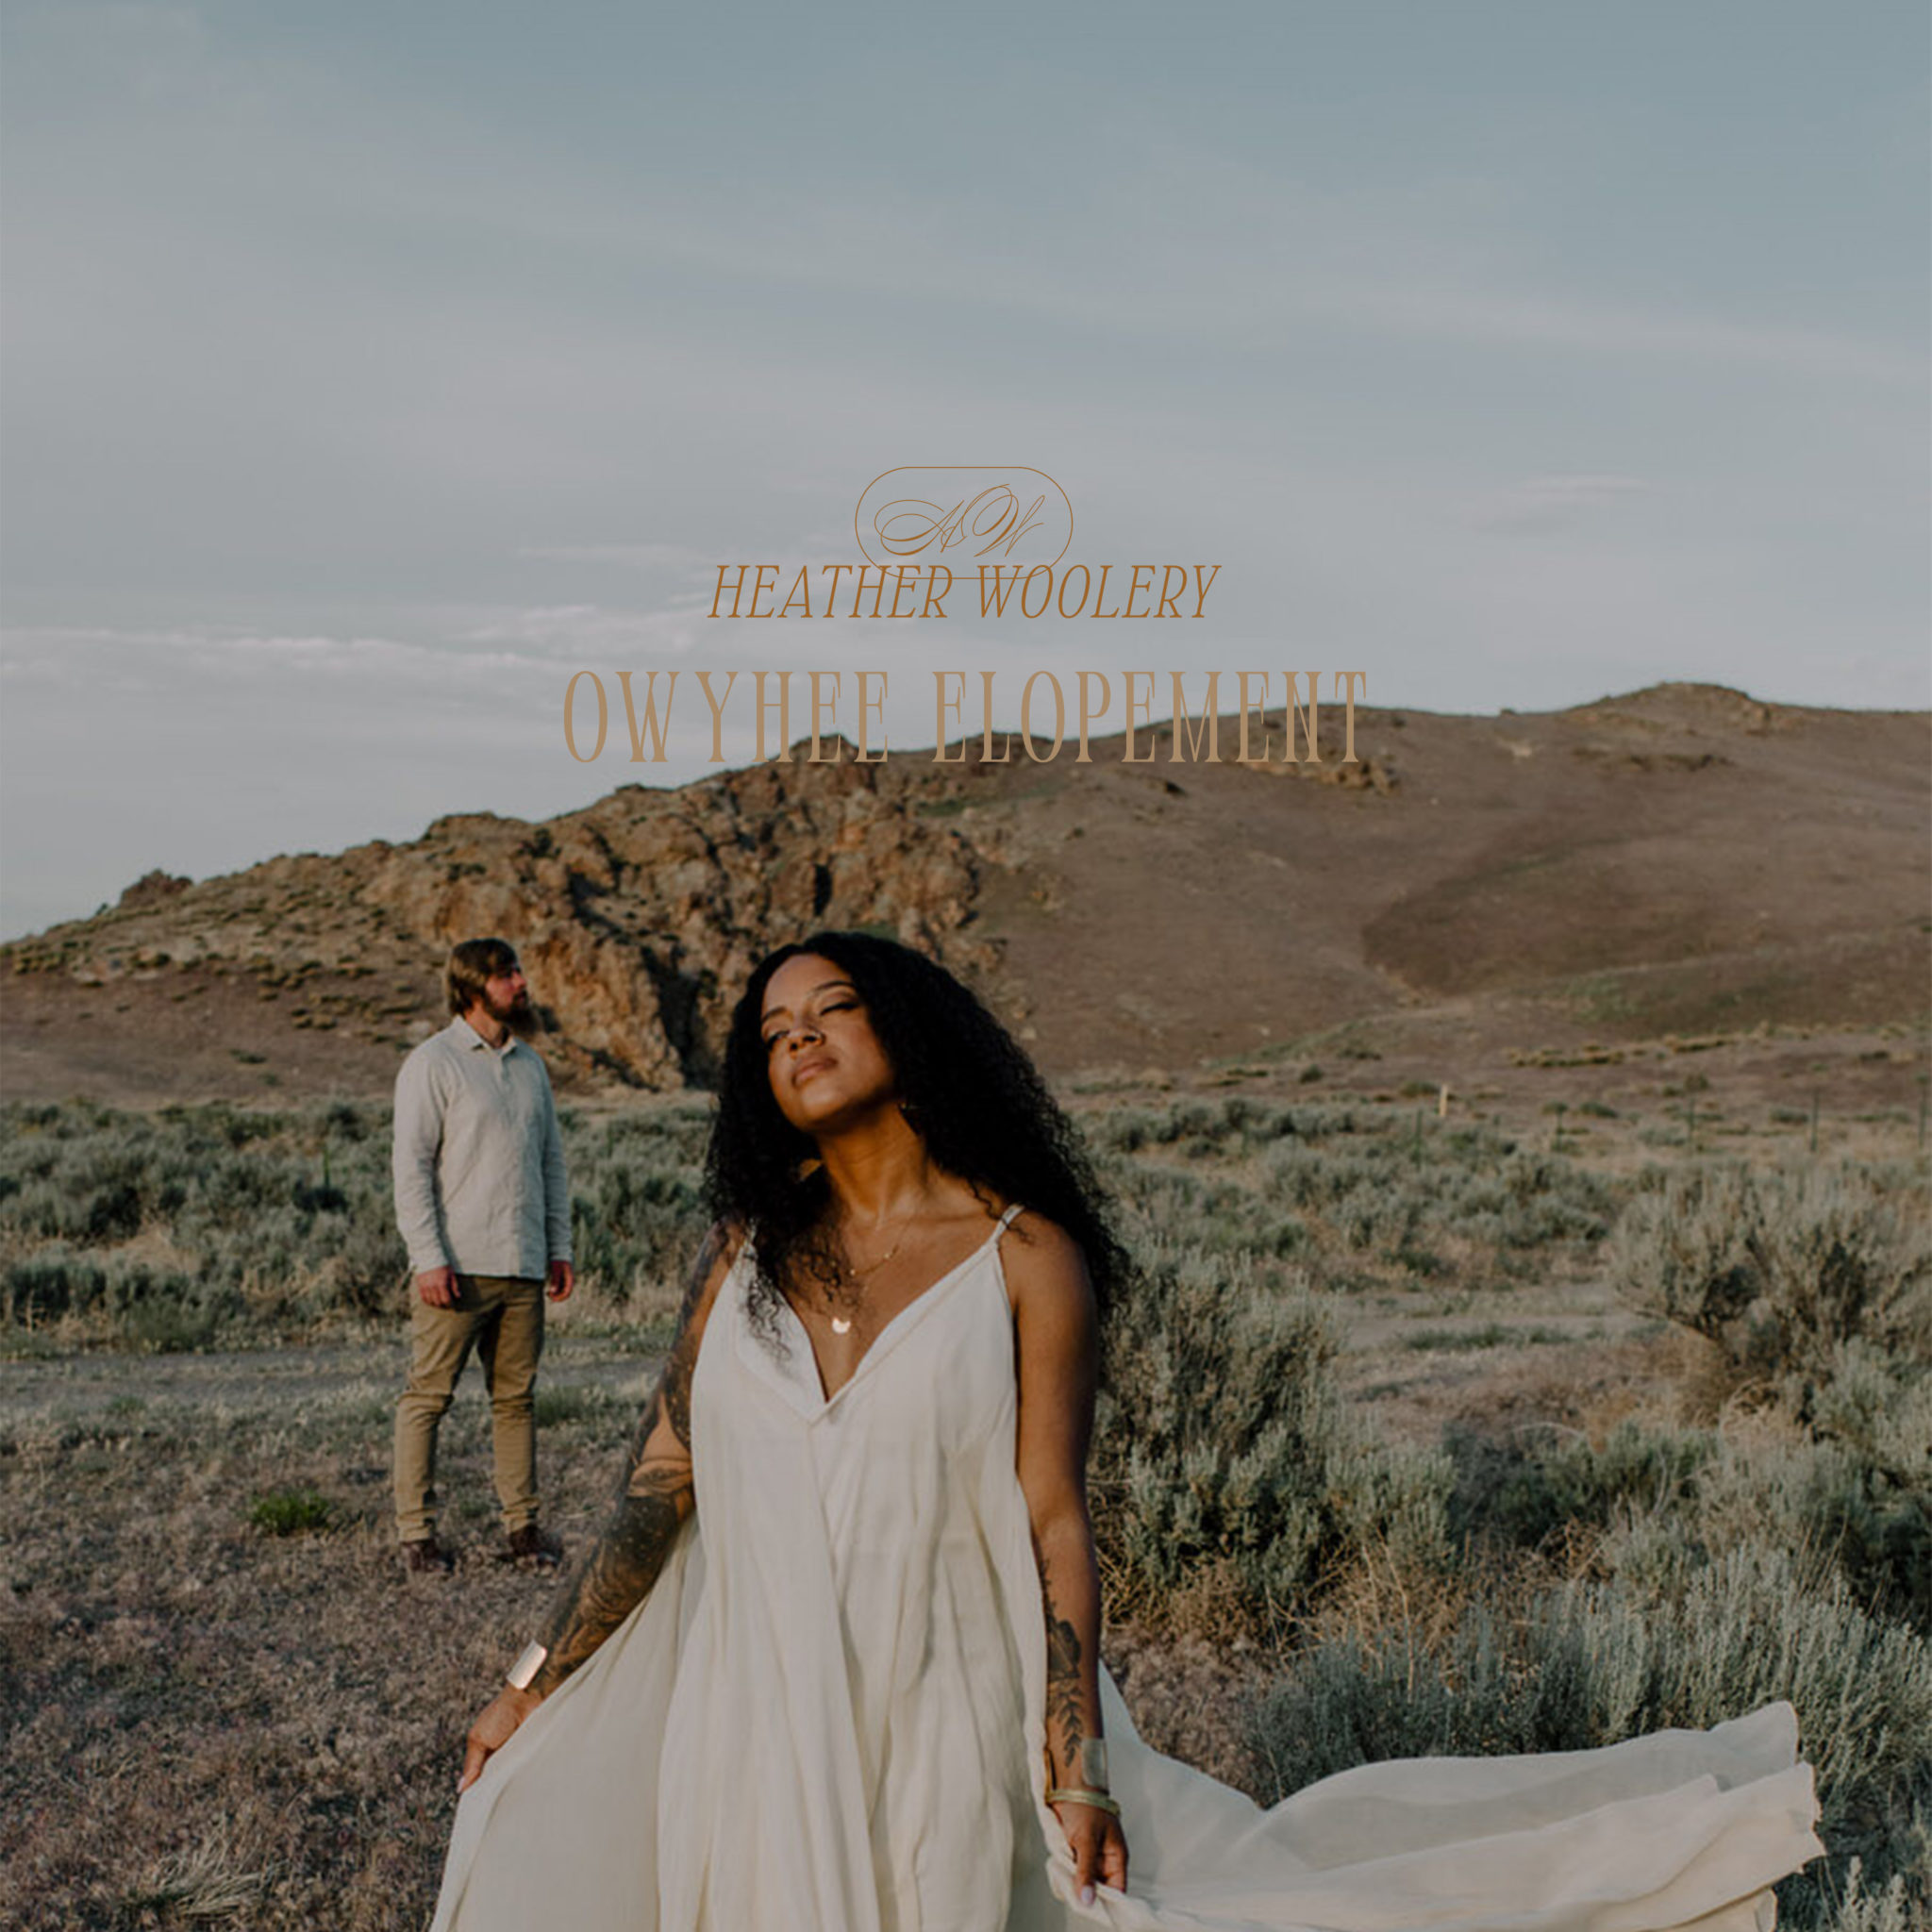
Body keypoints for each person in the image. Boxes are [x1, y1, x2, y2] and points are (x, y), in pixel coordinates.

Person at [428, 932, 1823, 1930]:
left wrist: (1075, 1764)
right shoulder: (742, 1254)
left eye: (833, 1006)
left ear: (906, 1027)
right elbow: (654, 1491)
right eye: (772, 1025)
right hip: (754, 1710)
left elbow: (1050, 1516)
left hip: (938, 1710)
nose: (796, 1032)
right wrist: (534, 1682)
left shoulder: (1025, 1258)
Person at [391, 938, 575, 1576]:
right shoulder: (433, 1063)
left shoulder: (530, 1067)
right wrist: (428, 1258)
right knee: (429, 1398)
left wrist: (559, 1247)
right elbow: (410, 1167)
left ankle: (522, 1530)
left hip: (523, 1263)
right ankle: (416, 1535)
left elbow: (551, 1162)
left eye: (518, 972)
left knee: (516, 1400)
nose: (520, 983)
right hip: (457, 1267)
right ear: (474, 988)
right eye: (506, 976)